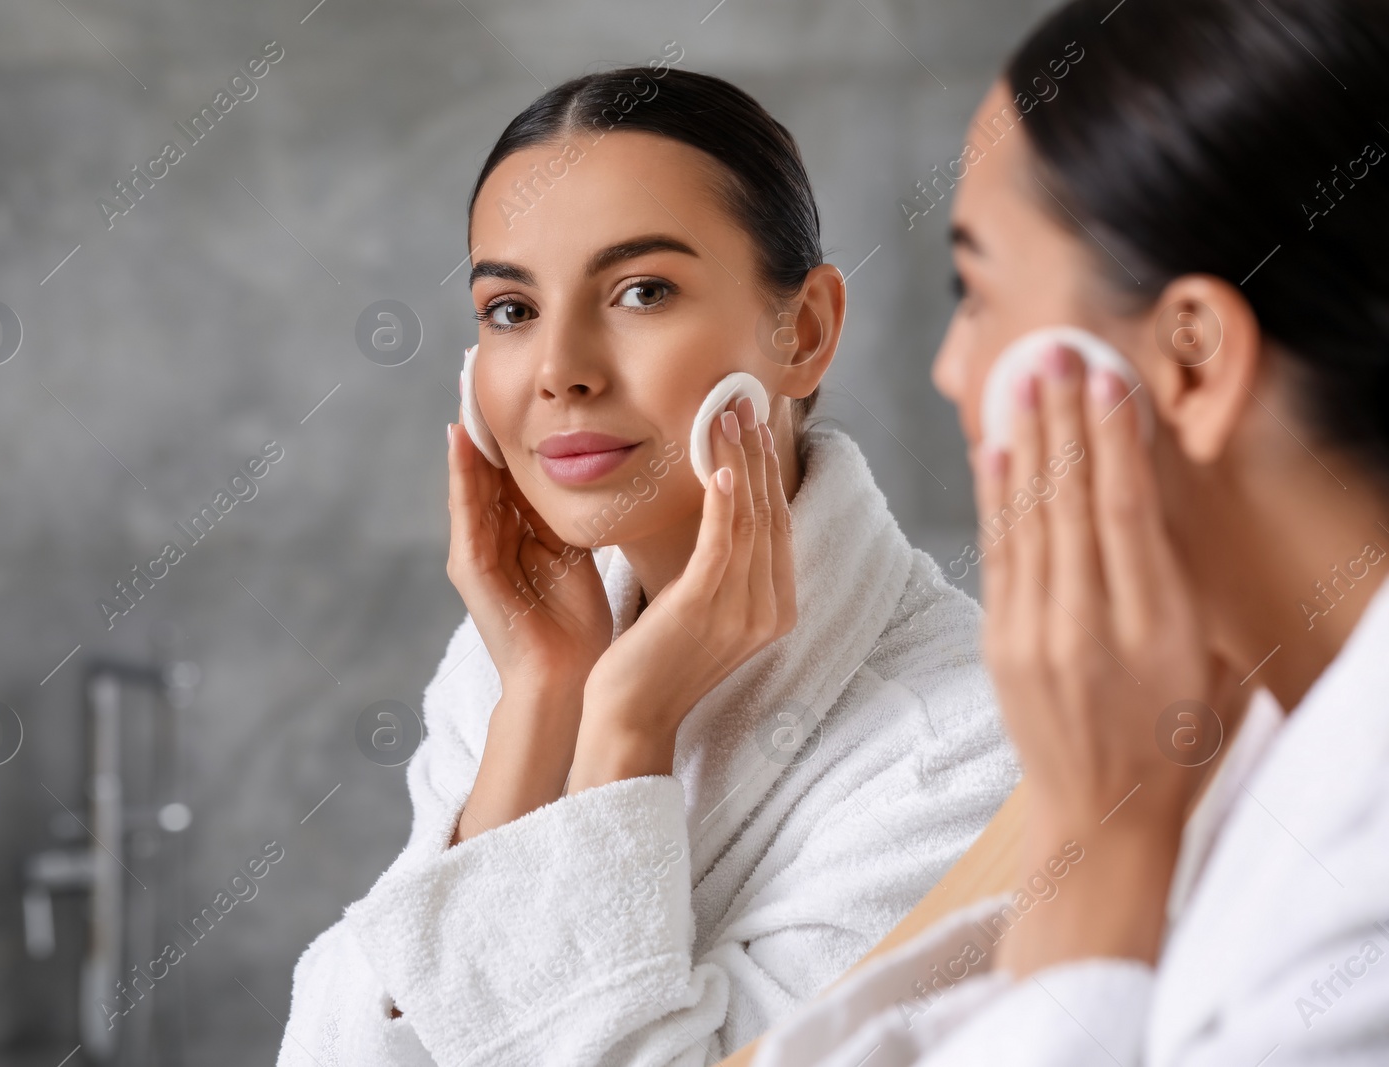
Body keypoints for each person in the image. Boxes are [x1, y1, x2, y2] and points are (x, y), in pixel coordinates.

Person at [276, 68, 1018, 1065]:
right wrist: (540, 707)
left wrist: (626, 731)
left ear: (803, 332)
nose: (559, 366)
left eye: (641, 291)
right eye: (509, 308)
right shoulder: (508, 669)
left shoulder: (968, 747)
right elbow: (345, 1042)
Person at [751, 0, 1389, 1063]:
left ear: (1189, 356)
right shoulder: (1238, 737)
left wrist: (1103, 846)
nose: (952, 369)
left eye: (978, 288)